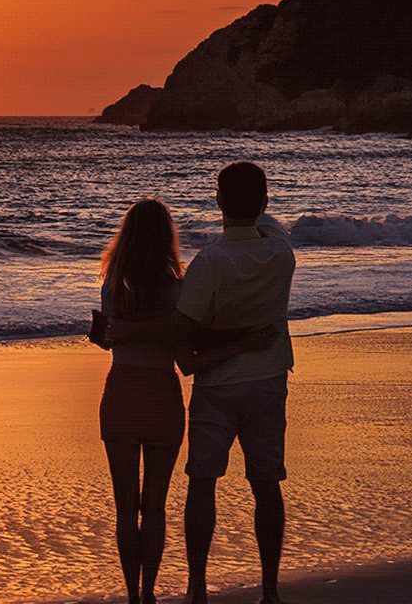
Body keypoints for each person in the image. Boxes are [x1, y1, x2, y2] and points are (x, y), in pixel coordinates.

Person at [107, 163, 296, 604]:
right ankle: (269, 588)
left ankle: (196, 585)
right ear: (265, 204)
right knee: (267, 482)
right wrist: (249, 338)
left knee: (203, 482)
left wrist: (123, 332)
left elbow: (180, 329)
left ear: (218, 203)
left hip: (217, 384)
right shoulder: (282, 253)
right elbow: (266, 222)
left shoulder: (210, 261)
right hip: (268, 380)